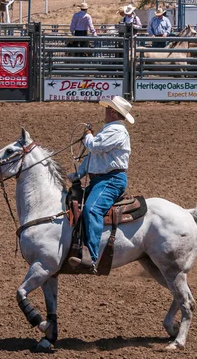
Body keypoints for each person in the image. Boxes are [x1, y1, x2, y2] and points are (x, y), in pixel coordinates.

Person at [67, 96, 135, 273]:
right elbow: (92, 156)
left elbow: (95, 147)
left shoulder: (117, 131)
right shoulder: (109, 130)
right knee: (75, 205)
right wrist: (79, 173)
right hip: (101, 180)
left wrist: (88, 137)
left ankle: (92, 257)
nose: (104, 111)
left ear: (113, 111)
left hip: (111, 180)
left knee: (92, 209)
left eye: (107, 109)